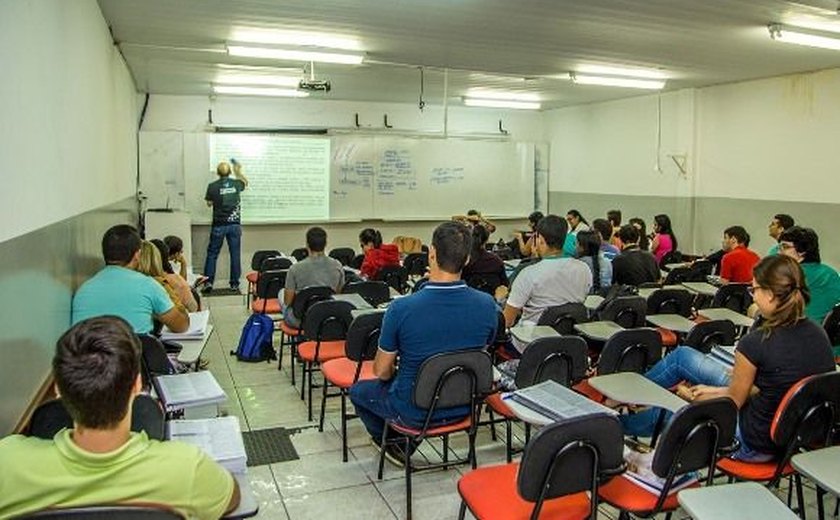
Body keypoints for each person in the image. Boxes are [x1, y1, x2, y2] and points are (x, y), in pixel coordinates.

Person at [0, 316, 239, 518]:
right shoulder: (187, 469)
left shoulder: (7, 463)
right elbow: (233, 498)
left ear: (58, 390)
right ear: (137, 385)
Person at [621, 256, 835, 461]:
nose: (752, 296)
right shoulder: (819, 334)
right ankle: (628, 399)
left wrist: (691, 398)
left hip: (753, 443)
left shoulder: (755, 343)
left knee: (676, 409)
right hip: (796, 435)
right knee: (683, 357)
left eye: (755, 289)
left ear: (770, 294)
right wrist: (718, 391)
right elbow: (775, 386)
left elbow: (732, 404)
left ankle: (619, 424)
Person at [348, 222, 497, 464]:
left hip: (415, 410)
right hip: (466, 406)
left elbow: (382, 371)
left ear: (432, 253)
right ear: (467, 259)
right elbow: (482, 350)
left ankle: (394, 443)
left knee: (358, 391)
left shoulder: (401, 308)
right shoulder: (487, 304)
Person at [72, 225, 189, 334]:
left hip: (90, 355)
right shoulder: (149, 286)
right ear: (137, 255)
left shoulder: (83, 290)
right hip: (133, 355)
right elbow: (181, 326)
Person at [504, 215, 592, 334]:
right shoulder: (584, 269)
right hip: (568, 341)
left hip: (530, 344)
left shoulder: (528, 274)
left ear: (540, 239)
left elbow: (507, 322)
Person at [203, 159, 249, 295]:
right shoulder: (236, 184)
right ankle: (234, 284)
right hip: (234, 225)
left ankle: (208, 282)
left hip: (218, 225)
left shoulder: (212, 186)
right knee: (235, 254)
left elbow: (209, 203)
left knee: (212, 254)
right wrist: (238, 170)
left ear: (217, 173)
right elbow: (245, 182)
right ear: (229, 172)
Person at [283, 227, 345, 328]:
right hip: (327, 317)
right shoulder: (337, 266)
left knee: (282, 295)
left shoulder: (295, 269)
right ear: (325, 244)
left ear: (307, 245)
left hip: (302, 321)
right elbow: (338, 295)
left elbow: (288, 301)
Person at [777, 226, 840, 325]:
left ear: (802, 250)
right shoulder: (831, 273)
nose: (779, 252)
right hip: (826, 335)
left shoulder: (791, 275)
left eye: (785, 247)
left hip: (796, 332)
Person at [148, 240, 199, 312]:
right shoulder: (170, 279)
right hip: (174, 317)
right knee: (194, 294)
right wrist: (183, 264)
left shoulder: (139, 278)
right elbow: (193, 308)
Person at [462, 223, 509, 299]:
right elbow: (505, 286)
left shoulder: (462, 260)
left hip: (466, 301)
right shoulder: (496, 261)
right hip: (492, 302)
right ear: (487, 240)